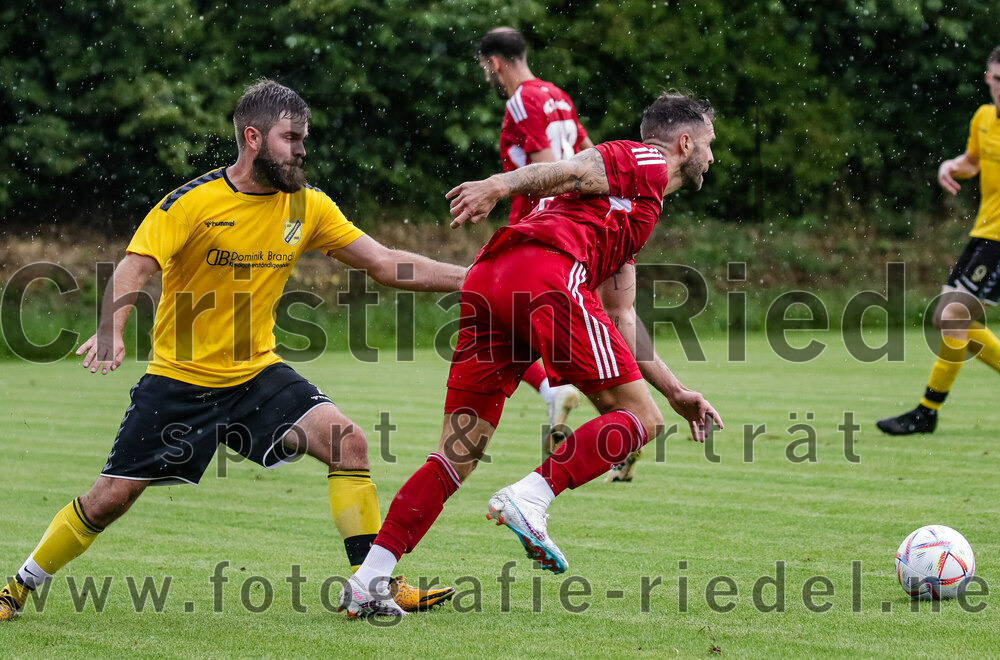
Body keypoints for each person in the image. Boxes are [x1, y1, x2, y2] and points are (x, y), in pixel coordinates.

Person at [0, 79, 465, 622]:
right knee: (110, 499)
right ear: (252, 138)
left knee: (348, 442)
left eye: (304, 138)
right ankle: (18, 586)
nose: (301, 150)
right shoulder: (193, 202)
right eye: (290, 138)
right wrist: (112, 327)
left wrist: (475, 279)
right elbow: (136, 265)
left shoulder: (308, 206)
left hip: (255, 376)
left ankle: (370, 585)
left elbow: (385, 263)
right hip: (179, 381)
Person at [339, 93, 724, 617]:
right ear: (685, 142)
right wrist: (498, 185)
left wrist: (677, 391)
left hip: (491, 278)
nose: (711, 156)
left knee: (456, 454)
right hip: (543, 275)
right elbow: (572, 169)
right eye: (709, 144)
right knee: (638, 418)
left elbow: (622, 316)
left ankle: (369, 578)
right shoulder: (648, 160)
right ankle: (532, 496)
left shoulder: (633, 210)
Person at [478, 28, 640, 480]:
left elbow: (555, 169)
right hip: (577, 233)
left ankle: (613, 417)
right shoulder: (557, 94)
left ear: (493, 63)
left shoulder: (520, 100)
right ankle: (610, 415)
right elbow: (593, 157)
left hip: (540, 238)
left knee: (491, 312)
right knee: (580, 335)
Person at [877, 45, 1000, 436]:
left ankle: (927, 412)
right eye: (999, 78)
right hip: (985, 232)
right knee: (952, 319)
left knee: (953, 316)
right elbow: (973, 161)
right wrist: (951, 166)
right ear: (988, 79)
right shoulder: (984, 118)